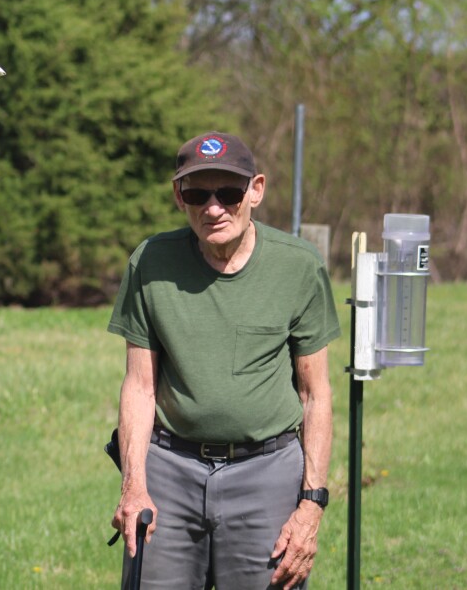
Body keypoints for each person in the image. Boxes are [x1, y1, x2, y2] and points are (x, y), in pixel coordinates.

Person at [108, 132, 340, 589]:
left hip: (267, 472)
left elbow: (316, 393)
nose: (213, 208)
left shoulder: (298, 267)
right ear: (180, 197)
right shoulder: (150, 262)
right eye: (197, 193)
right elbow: (139, 386)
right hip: (170, 470)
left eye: (228, 192)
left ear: (256, 190)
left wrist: (311, 504)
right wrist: (134, 486)